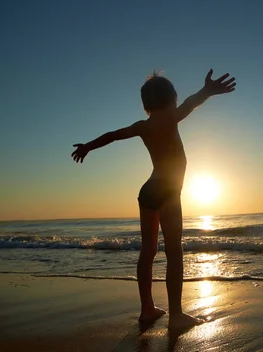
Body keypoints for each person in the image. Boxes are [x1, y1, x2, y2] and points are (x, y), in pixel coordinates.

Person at [71, 69, 236, 329]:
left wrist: (87, 147)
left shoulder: (144, 126)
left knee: (148, 251)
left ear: (146, 104)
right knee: (174, 251)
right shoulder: (172, 118)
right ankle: (176, 315)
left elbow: (113, 135)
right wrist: (208, 91)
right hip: (169, 191)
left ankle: (147, 309)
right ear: (171, 98)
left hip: (148, 191)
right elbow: (192, 103)